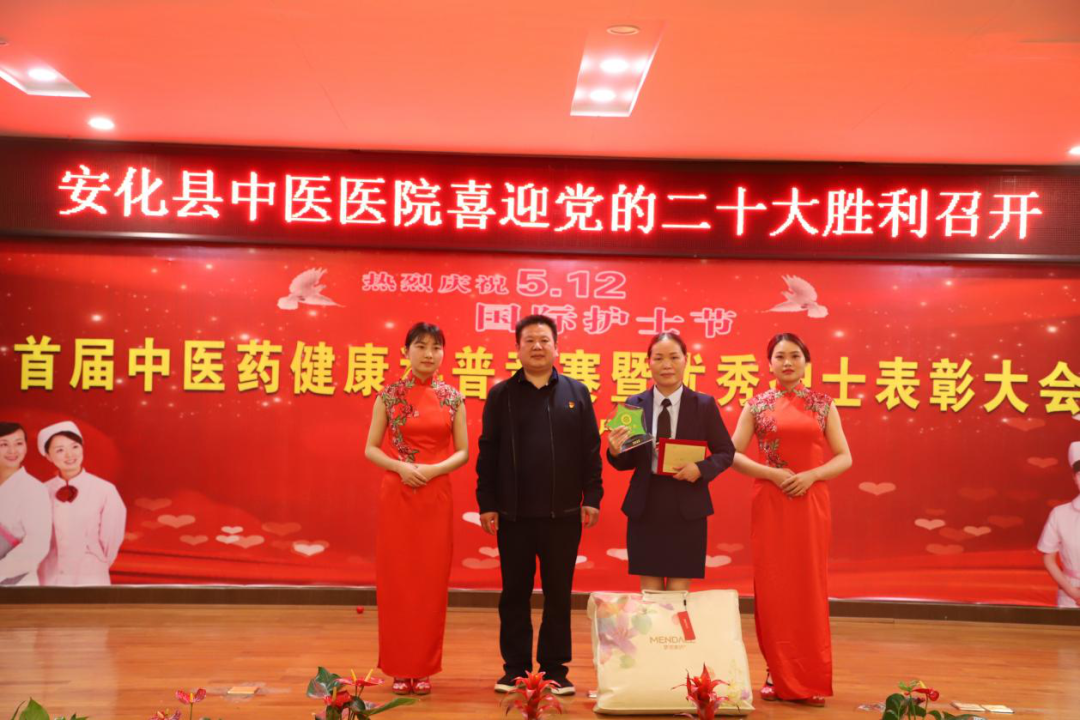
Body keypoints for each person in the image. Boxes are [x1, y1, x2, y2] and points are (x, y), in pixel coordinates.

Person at [476, 314, 603, 696]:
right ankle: (514, 669)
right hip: (513, 515)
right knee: (514, 594)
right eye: (529, 340)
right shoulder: (501, 395)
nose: (537, 346)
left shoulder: (576, 392)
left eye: (544, 340)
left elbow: (590, 450)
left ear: (556, 347)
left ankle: (554, 670)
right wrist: (487, 502)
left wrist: (592, 497)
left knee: (558, 594)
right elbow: (488, 451)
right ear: (517, 348)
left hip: (563, 515)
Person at [729, 333, 853, 708]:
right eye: (780, 356)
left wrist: (812, 475)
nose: (787, 362)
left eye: (795, 356)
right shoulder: (756, 405)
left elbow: (844, 456)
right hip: (771, 501)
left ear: (805, 362)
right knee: (773, 586)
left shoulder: (823, 404)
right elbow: (731, 454)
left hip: (810, 502)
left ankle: (810, 677)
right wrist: (771, 473)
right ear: (769, 364)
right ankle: (776, 672)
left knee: (808, 584)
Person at [364, 322, 468, 695]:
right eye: (421, 346)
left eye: (436, 347)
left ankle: (422, 667)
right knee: (397, 580)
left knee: (430, 582)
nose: (428, 354)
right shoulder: (389, 395)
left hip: (435, 494)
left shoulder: (453, 398)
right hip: (398, 493)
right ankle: (398, 667)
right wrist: (401, 467)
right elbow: (371, 448)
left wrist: (433, 470)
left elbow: (463, 451)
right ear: (405, 351)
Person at [606, 332, 735, 591]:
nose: (667, 365)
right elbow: (626, 461)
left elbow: (725, 452)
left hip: (687, 504)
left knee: (678, 591)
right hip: (646, 504)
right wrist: (615, 451)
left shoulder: (703, 404)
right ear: (648, 363)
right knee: (650, 592)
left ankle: (675, 622)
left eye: (674, 357)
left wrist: (700, 469)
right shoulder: (634, 404)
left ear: (686, 360)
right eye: (659, 358)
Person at [37, 421, 127, 586]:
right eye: (60, 450)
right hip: (49, 575)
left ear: (82, 448)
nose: (69, 455)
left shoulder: (105, 490)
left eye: (75, 447)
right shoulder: (40, 491)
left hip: (91, 574)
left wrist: (96, 562)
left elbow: (111, 539)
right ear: (48, 456)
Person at [0, 422, 51, 586]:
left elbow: (37, 545)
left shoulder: (34, 489)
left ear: (26, 447)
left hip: (16, 583)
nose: (12, 451)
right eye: (3, 444)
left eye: (18, 443)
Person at [1037, 442, 1080, 608]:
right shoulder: (1060, 514)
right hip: (1070, 595)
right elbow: (1048, 558)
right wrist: (1073, 592)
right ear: (1074, 477)